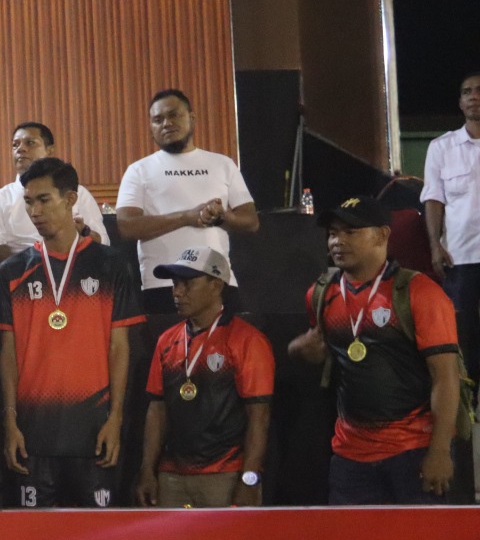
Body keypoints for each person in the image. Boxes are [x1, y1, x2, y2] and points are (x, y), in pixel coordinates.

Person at [287, 197, 461, 505]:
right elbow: (320, 349)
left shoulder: (419, 292)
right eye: (332, 233)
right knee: (351, 538)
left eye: (350, 232)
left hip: (413, 450)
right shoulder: (320, 294)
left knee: (416, 538)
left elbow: (445, 377)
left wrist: (439, 451)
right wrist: (300, 350)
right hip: (349, 455)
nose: (337, 241)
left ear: (382, 235)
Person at [0, 158, 143, 508]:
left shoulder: (111, 265)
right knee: (35, 538)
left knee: (98, 537)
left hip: (94, 431)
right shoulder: (11, 272)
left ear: (71, 199)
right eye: (28, 202)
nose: (35, 211)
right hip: (33, 434)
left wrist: (116, 419)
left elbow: (120, 348)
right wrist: (10, 423)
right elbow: (8, 353)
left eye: (44, 200)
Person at [137, 247, 273, 508]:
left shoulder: (247, 341)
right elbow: (157, 410)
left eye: (187, 284)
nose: (177, 292)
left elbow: (259, 416)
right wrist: (147, 470)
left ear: (216, 285)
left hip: (224, 476)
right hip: (171, 476)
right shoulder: (167, 341)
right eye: (175, 284)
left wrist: (249, 481)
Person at [115, 89, 258, 312]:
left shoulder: (223, 164)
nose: (166, 123)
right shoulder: (138, 170)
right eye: (158, 119)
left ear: (192, 118)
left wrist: (221, 217)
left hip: (216, 282)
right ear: (151, 126)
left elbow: (251, 221)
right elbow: (126, 226)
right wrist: (186, 217)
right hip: (162, 285)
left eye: (174, 115)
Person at [0, 122, 110, 264]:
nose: (20, 149)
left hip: (75, 266)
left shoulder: (77, 192)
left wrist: (84, 231)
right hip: (23, 270)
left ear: (50, 151)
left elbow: (103, 243)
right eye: (15, 145)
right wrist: (33, 262)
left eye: (30, 143)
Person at [420, 68, 480, 378]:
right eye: (467, 92)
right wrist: (435, 246)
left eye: (479, 91)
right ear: (460, 103)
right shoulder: (441, 147)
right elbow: (433, 199)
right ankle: (469, 398)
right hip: (460, 257)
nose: (474, 97)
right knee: (463, 333)